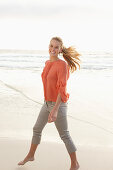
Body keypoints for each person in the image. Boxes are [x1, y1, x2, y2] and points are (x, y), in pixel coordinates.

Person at [18, 37, 81, 170]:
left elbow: (61, 89)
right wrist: (49, 106)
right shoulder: (47, 63)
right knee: (36, 129)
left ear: (60, 50)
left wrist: (56, 109)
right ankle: (30, 155)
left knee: (64, 135)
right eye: (51, 46)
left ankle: (75, 163)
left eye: (56, 47)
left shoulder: (62, 65)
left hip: (59, 104)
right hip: (47, 103)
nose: (52, 49)